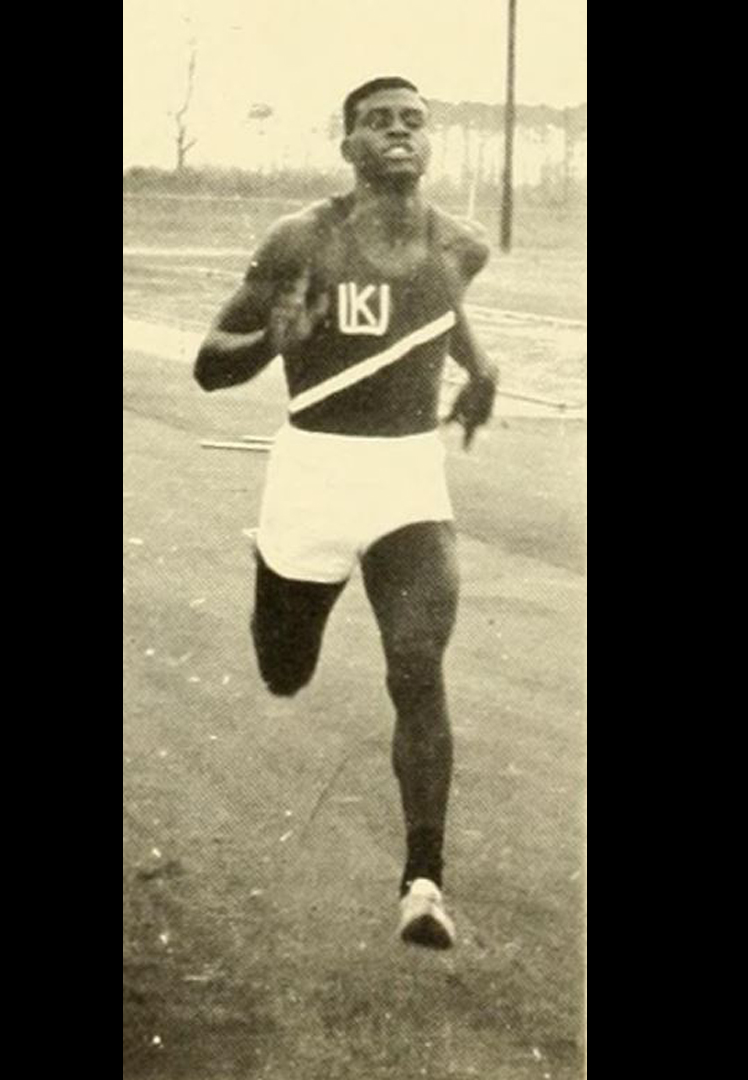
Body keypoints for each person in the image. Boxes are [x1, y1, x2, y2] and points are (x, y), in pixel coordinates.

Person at [194, 76, 498, 949]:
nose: (399, 132)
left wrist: (481, 369)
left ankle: (424, 882)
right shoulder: (301, 239)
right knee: (284, 669)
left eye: (413, 122)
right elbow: (210, 362)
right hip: (311, 475)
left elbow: (444, 313)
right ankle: (276, 576)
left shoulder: (461, 244)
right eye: (379, 122)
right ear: (347, 147)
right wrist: (270, 346)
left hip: (407, 480)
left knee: (416, 665)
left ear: (429, 143)